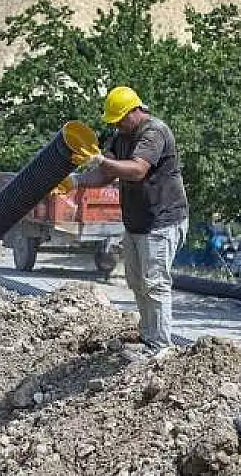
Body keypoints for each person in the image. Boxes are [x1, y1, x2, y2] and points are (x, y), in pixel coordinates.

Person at [58, 86, 189, 358]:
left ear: (134, 111)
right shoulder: (122, 137)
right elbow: (106, 174)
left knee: (155, 283)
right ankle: (148, 337)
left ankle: (161, 347)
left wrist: (101, 159)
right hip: (136, 222)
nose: (116, 124)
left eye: (119, 119)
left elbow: (137, 170)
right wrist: (77, 181)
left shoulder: (154, 133)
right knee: (137, 282)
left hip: (161, 221)